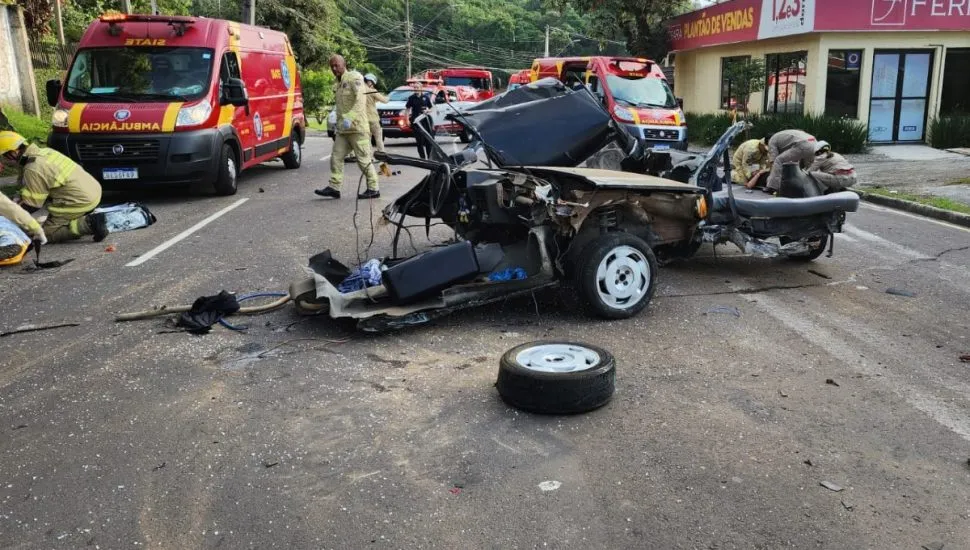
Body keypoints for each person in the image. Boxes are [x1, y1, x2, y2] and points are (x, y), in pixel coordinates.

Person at [0, 131, 107, 243]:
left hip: (79, 202)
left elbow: (32, 205)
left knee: (41, 235)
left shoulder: (33, 168)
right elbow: (25, 186)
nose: (3, 162)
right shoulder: (44, 152)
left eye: (2, 157)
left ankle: (88, 224)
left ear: (13, 153)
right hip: (93, 191)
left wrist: (8, 214)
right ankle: (81, 217)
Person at [314, 55, 380, 200]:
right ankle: (334, 187)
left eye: (336, 65)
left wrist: (350, 117)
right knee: (336, 157)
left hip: (357, 129)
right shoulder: (338, 84)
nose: (334, 68)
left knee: (363, 160)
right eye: (331, 66)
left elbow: (360, 99)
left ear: (344, 64)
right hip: (343, 131)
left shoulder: (353, 77)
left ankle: (374, 188)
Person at [763, 129, 817, 194]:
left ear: (768, 141)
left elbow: (773, 161)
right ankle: (816, 187)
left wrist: (770, 179)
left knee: (778, 160)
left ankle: (772, 187)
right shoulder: (783, 136)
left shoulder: (771, 141)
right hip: (814, 143)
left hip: (803, 144)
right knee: (809, 168)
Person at [363, 73, 388, 161]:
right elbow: (384, 100)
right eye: (372, 83)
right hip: (373, 119)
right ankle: (382, 158)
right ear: (370, 81)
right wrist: (388, 97)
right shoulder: (372, 91)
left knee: (367, 140)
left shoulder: (359, 90)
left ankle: (369, 159)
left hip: (364, 119)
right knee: (378, 139)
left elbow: (373, 100)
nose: (373, 85)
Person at [405, 87, 434, 160]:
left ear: (421, 88)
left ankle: (430, 157)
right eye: (415, 87)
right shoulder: (411, 98)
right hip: (416, 121)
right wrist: (407, 120)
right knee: (419, 141)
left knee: (428, 140)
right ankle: (422, 158)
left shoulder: (425, 97)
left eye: (417, 87)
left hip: (425, 120)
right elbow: (407, 109)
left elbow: (432, 108)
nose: (416, 89)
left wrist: (428, 111)